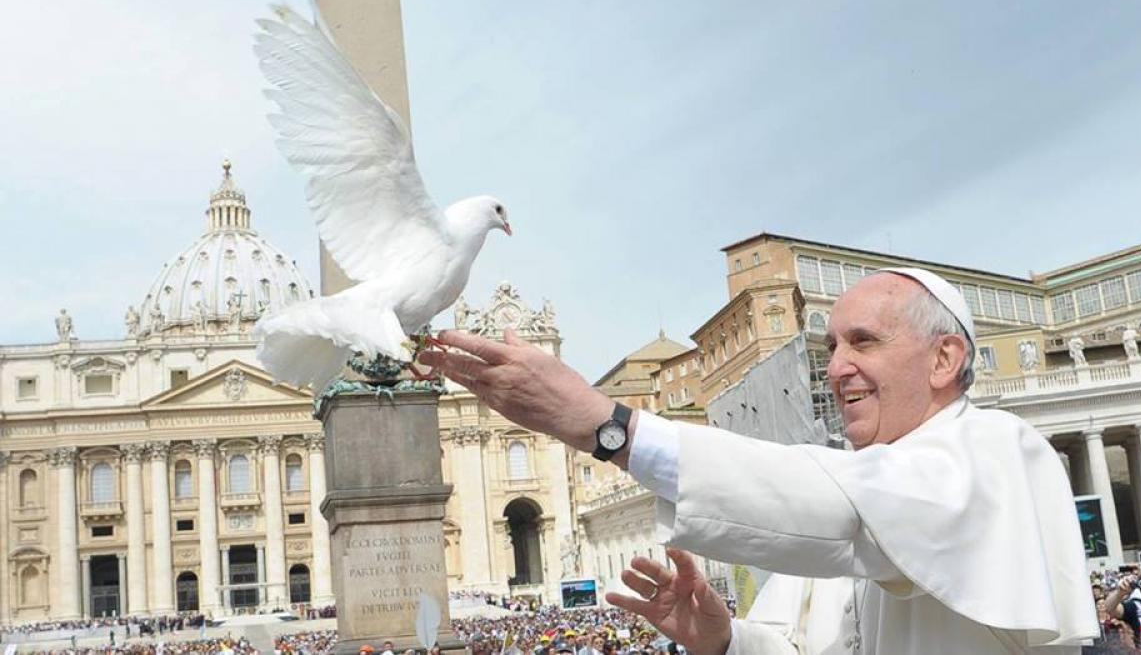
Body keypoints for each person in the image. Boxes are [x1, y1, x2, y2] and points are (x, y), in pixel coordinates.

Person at [421, 267, 1097, 654]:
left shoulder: (999, 450)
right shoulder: (867, 486)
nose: (836, 368)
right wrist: (725, 640)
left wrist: (607, 426)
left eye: (863, 341)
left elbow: (841, 505)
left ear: (945, 358)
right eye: (830, 347)